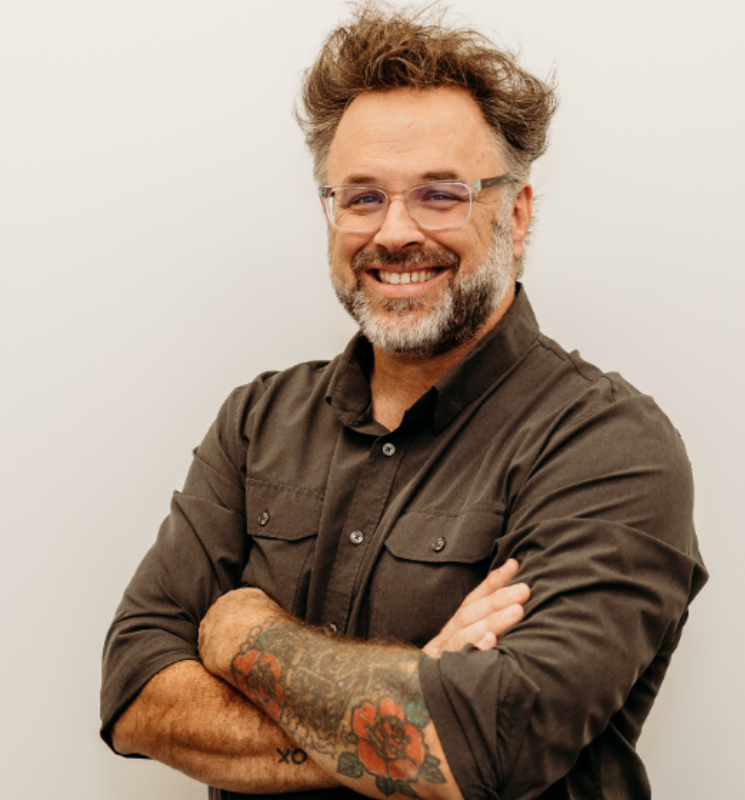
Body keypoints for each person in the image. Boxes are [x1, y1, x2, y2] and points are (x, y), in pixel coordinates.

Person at [100, 3, 708, 799]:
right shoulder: (256, 422)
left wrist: (247, 634)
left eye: (440, 194)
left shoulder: (607, 444)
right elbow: (134, 690)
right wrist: (413, 700)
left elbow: (490, 747)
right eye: (361, 198)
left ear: (516, 213)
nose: (393, 232)